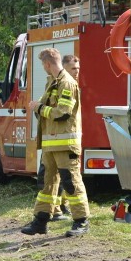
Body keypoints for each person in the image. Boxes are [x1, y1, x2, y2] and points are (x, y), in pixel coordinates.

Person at [21, 49, 90, 237]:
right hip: (51, 144)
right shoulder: (53, 82)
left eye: (43, 65)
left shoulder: (66, 83)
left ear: (47, 64)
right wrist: (39, 108)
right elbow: (47, 109)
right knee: (47, 183)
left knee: (71, 182)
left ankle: (81, 221)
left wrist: (40, 108)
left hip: (65, 144)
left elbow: (63, 112)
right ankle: (40, 221)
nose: (43, 68)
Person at [51, 55, 80, 221]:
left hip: (67, 141)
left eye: (78, 69)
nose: (76, 72)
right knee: (60, 178)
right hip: (60, 141)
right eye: (73, 69)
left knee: (66, 178)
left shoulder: (72, 84)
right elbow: (61, 113)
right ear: (64, 69)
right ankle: (58, 209)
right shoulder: (65, 85)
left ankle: (61, 206)